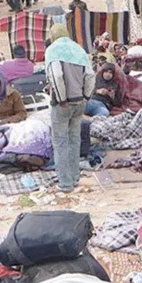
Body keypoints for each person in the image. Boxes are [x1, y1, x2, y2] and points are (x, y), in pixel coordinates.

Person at [45, 24, 95, 192]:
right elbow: (90, 75)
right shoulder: (78, 50)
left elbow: (57, 75)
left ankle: (65, 183)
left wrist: (61, 98)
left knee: (60, 142)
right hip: (79, 102)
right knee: (75, 140)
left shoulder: (53, 51)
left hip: (62, 104)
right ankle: (74, 178)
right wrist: (86, 97)